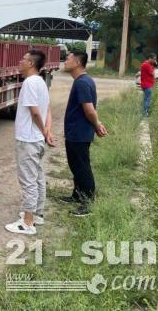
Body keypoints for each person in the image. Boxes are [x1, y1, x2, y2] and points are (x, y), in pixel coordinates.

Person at [5, 50, 53, 235]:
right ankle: (37, 214)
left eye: (23, 59)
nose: (20, 61)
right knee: (37, 177)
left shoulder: (30, 83)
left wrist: (43, 130)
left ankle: (27, 222)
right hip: (36, 139)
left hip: (28, 140)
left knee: (28, 181)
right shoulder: (41, 82)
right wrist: (46, 131)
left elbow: (35, 112)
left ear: (31, 64)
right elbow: (47, 109)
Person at [60, 51, 107, 217]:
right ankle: (77, 195)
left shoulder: (82, 82)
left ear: (78, 62)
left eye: (68, 59)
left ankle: (87, 203)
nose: (65, 61)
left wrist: (97, 124)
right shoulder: (82, 81)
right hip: (76, 132)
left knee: (82, 167)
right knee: (76, 165)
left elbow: (89, 110)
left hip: (79, 133)